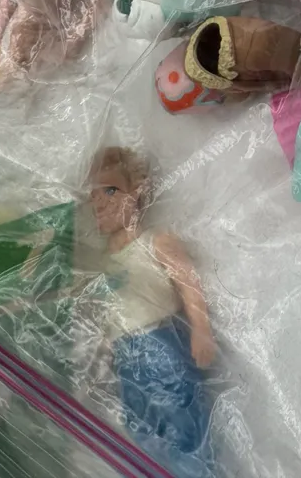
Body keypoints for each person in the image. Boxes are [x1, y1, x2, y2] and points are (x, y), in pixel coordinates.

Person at [88, 147, 217, 478]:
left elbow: (188, 281)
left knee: (182, 425)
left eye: (110, 190)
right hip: (125, 359)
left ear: (137, 191)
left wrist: (201, 328)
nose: (98, 203)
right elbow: (110, 309)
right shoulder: (104, 262)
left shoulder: (155, 241)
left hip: (160, 345)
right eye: (93, 195)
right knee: (142, 432)